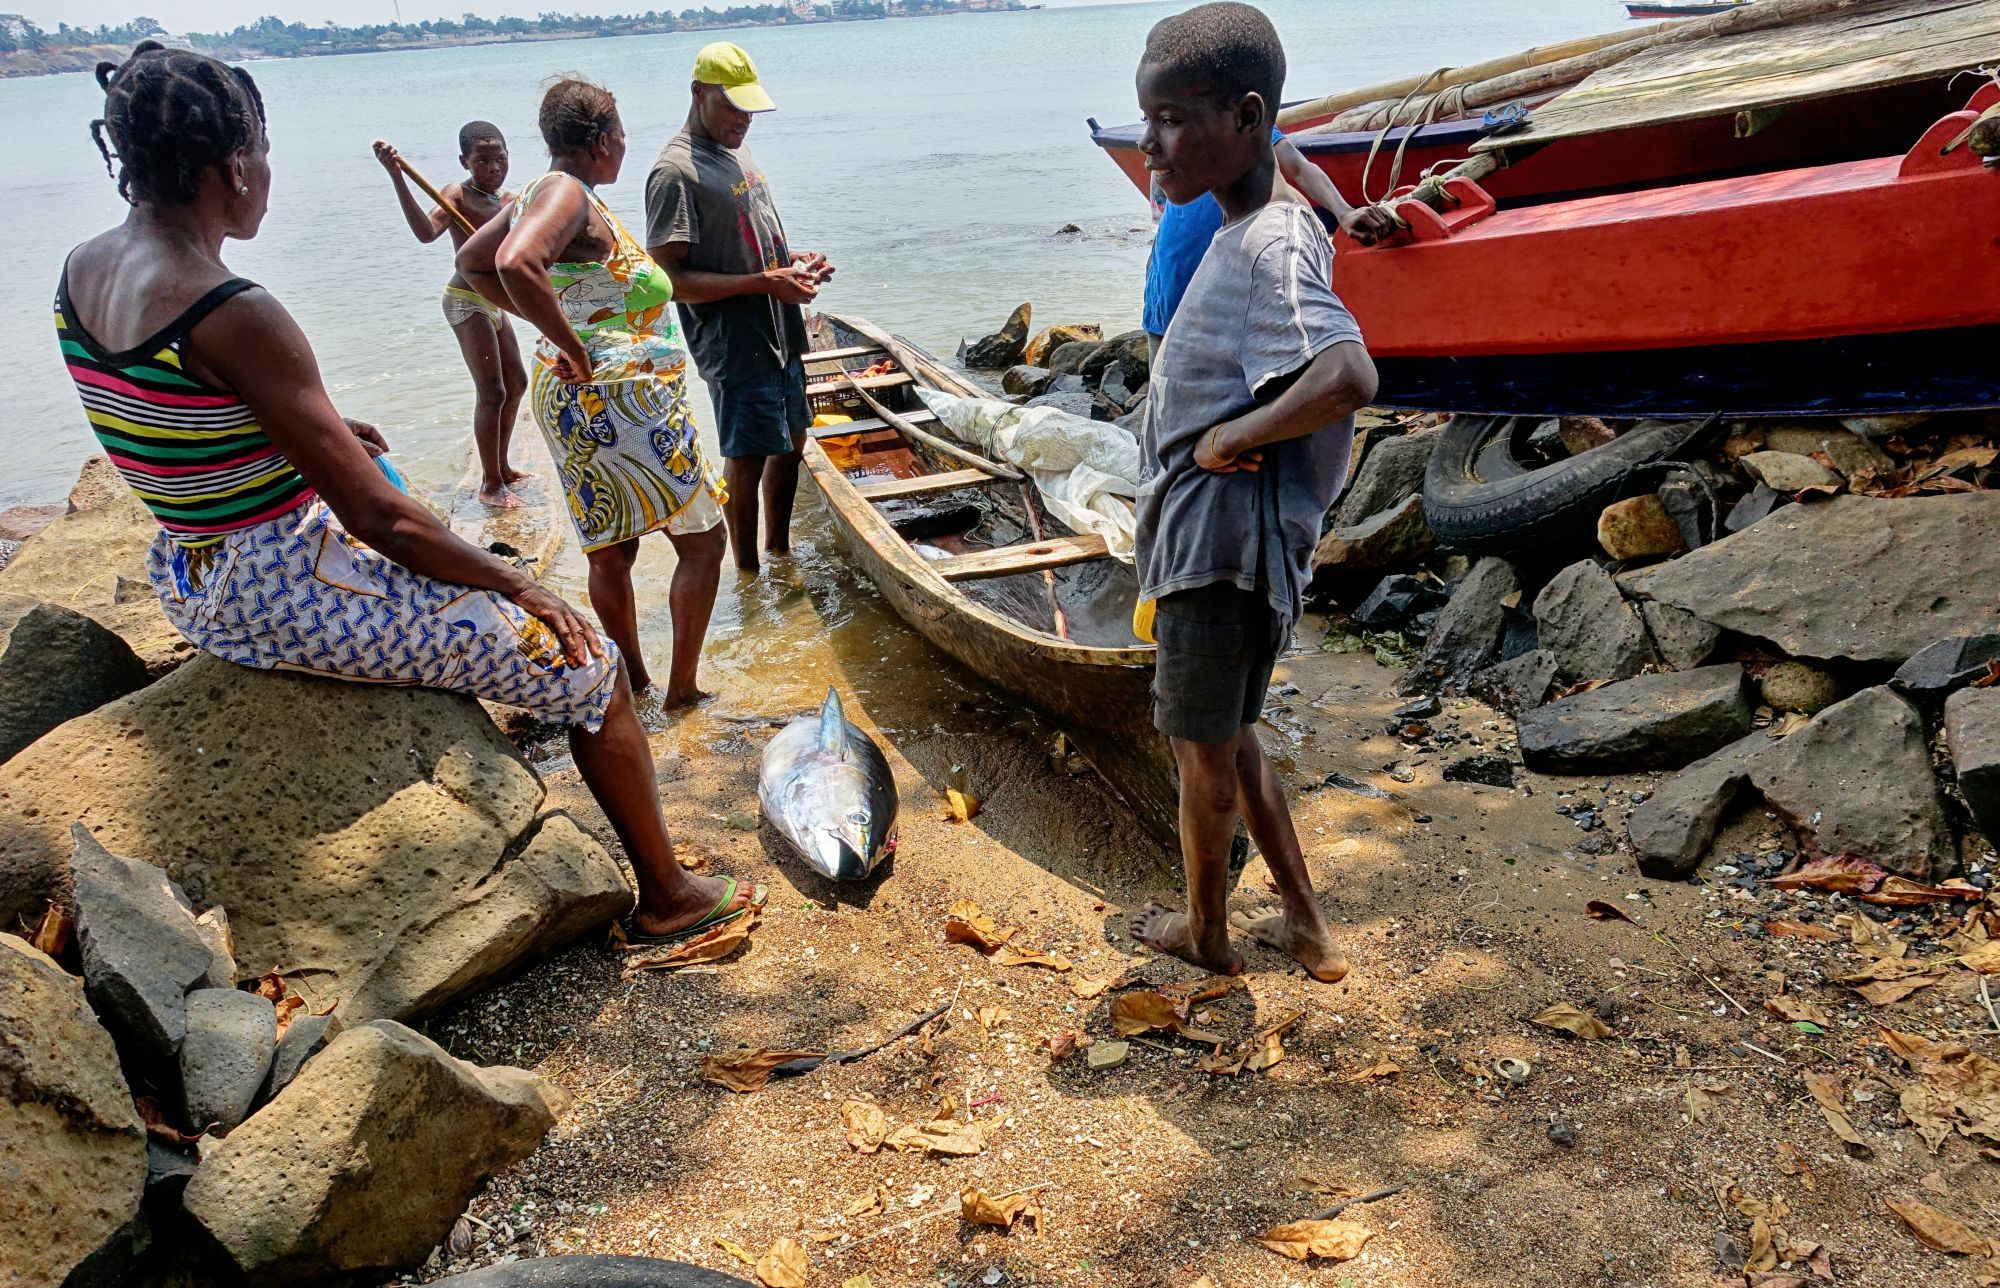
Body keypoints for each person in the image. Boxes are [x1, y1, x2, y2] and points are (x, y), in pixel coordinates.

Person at [62, 43, 757, 944]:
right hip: (275, 589)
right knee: (590, 666)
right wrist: (523, 587)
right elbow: (378, 521)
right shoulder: (233, 307)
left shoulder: (81, 268)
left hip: (188, 567)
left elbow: (168, 417)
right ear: (235, 165)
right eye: (264, 152)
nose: (269, 173)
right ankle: (667, 897)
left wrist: (325, 433)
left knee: (390, 472)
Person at [1126, 4, 1380, 983]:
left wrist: (1231, 434)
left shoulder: (1268, 242)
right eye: (1144, 117)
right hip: (1229, 553)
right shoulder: (1255, 223)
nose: (1151, 142)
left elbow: (1346, 375)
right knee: (1230, 741)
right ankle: (1306, 927)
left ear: (1245, 117)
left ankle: (1205, 932)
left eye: (1174, 118)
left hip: (1216, 559)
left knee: (1202, 759)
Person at [458, 79, 728, 712]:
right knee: (702, 541)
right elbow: (513, 264)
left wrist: (563, 336)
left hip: (580, 400)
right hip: (623, 400)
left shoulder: (536, 191)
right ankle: (681, 692)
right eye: (623, 135)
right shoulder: (564, 192)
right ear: (603, 140)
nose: (625, 147)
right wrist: (574, 343)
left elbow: (472, 263)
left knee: (612, 548)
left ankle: (632, 684)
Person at [645, 42, 834, 575]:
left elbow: (748, 240)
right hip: (734, 343)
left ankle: (780, 553)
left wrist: (794, 262)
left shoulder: (735, 152)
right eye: (733, 107)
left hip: (780, 330)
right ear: (698, 94)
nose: (744, 120)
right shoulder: (675, 172)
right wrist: (763, 282)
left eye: (750, 109)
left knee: (792, 444)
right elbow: (667, 281)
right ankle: (749, 576)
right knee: (747, 460)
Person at [372, 123, 532, 508]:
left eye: (500, 159)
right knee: (491, 391)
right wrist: (397, 177)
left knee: (518, 382)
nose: (493, 167)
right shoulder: (455, 195)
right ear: (465, 161)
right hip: (465, 299)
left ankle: (502, 466)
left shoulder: (513, 200)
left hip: (496, 302)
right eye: (482, 161)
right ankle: (490, 484)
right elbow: (426, 233)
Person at [1143, 119, 1395, 360]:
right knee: (1164, 390)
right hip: (1169, 282)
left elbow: (1299, 167)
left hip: (1225, 297)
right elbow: (1161, 205)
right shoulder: (1170, 130)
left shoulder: (1241, 122)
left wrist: (1344, 212)